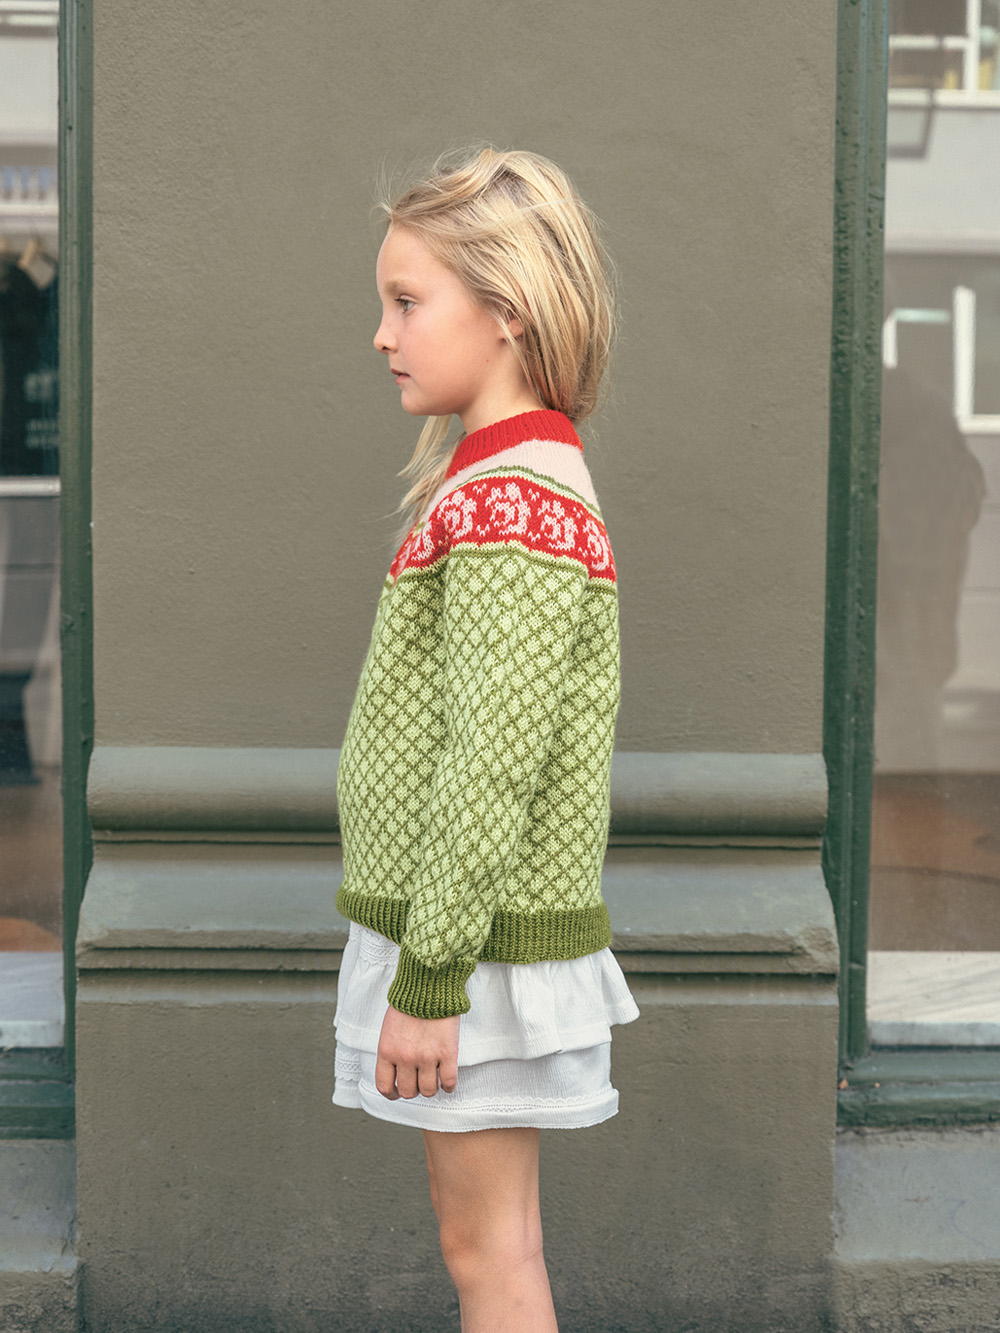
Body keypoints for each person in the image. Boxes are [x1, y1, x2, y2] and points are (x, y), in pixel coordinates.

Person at [333, 146, 639, 1332]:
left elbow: (492, 760)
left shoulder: (515, 503)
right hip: (468, 942)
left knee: (489, 1251)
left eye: (407, 302)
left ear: (506, 310)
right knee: (489, 1241)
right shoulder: (496, 484)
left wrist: (429, 978)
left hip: (473, 953)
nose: (382, 334)